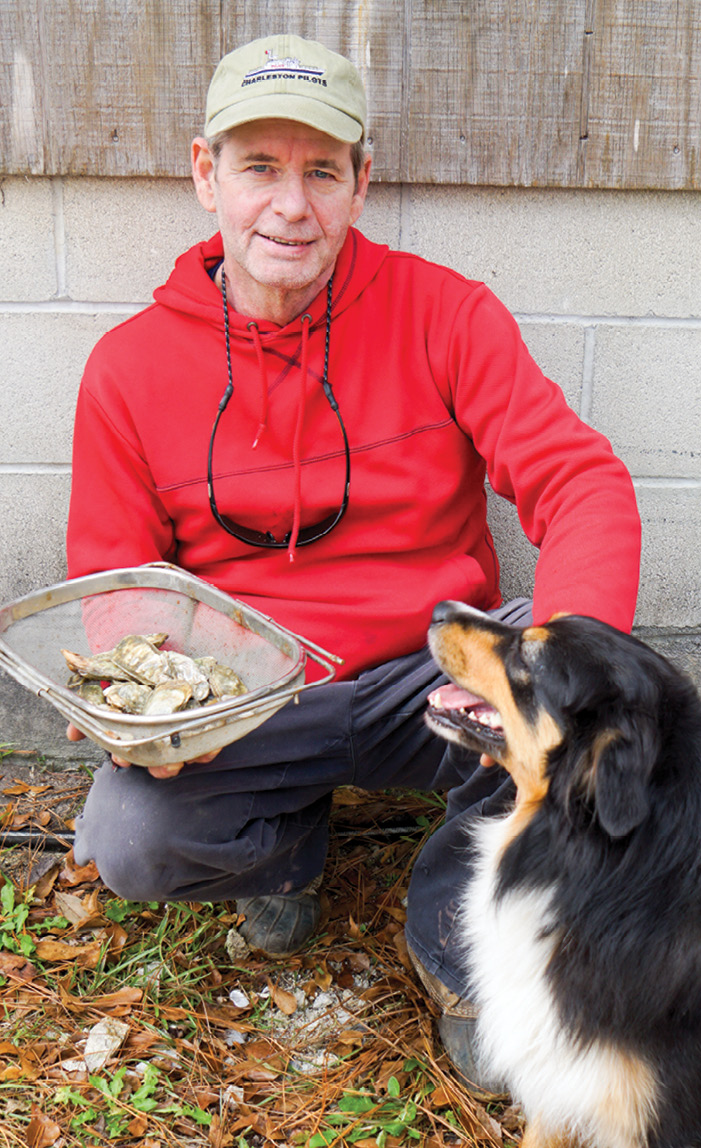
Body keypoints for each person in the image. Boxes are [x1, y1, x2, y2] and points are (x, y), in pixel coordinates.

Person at [65, 34, 641, 1093]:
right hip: (250, 693)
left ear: (359, 183)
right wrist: (143, 710)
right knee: (126, 835)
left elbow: (582, 482)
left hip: (431, 671)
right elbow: (116, 579)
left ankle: (453, 921)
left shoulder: (443, 313)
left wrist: (565, 667)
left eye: (321, 170)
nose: (290, 205)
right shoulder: (126, 369)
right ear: (206, 175)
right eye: (259, 167)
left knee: (587, 701)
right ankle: (285, 849)